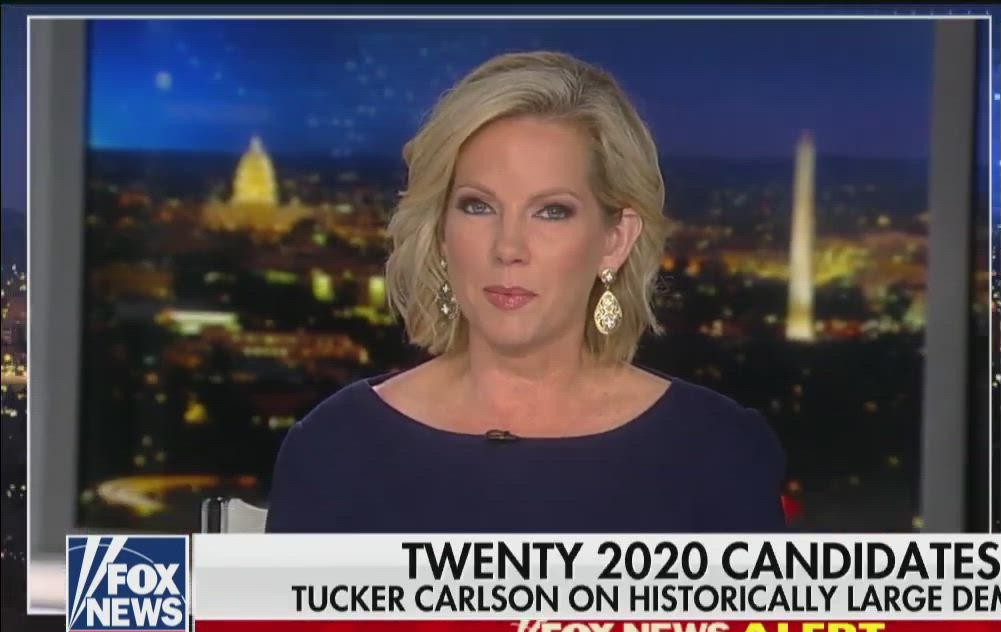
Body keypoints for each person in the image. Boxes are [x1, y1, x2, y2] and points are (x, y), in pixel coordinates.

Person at [266, 51, 787, 533]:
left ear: (614, 239)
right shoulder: (335, 446)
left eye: (551, 211)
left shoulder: (716, 450)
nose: (508, 247)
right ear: (441, 230)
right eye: (478, 206)